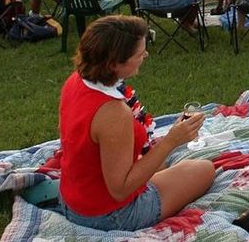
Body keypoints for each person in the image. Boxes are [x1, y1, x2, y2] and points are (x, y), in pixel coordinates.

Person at [58, 15, 214, 231]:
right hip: (108, 215)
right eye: (139, 54)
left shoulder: (77, 80)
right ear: (114, 64)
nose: (145, 55)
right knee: (204, 169)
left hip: (74, 198)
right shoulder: (113, 112)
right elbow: (120, 190)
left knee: (164, 164)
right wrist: (171, 141)